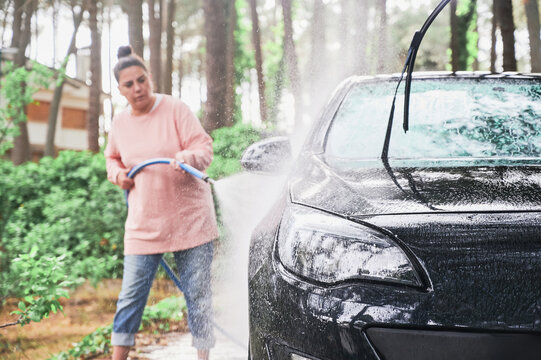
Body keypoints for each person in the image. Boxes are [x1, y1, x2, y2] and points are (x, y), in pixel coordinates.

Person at [104, 45, 218, 360]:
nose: (137, 88)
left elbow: (204, 148)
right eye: (129, 84)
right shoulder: (120, 123)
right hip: (144, 225)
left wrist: (186, 157)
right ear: (120, 90)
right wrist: (119, 175)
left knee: (199, 297)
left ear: (149, 78)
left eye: (141, 80)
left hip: (191, 221)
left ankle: (203, 358)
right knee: (130, 298)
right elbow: (111, 158)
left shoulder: (175, 109)